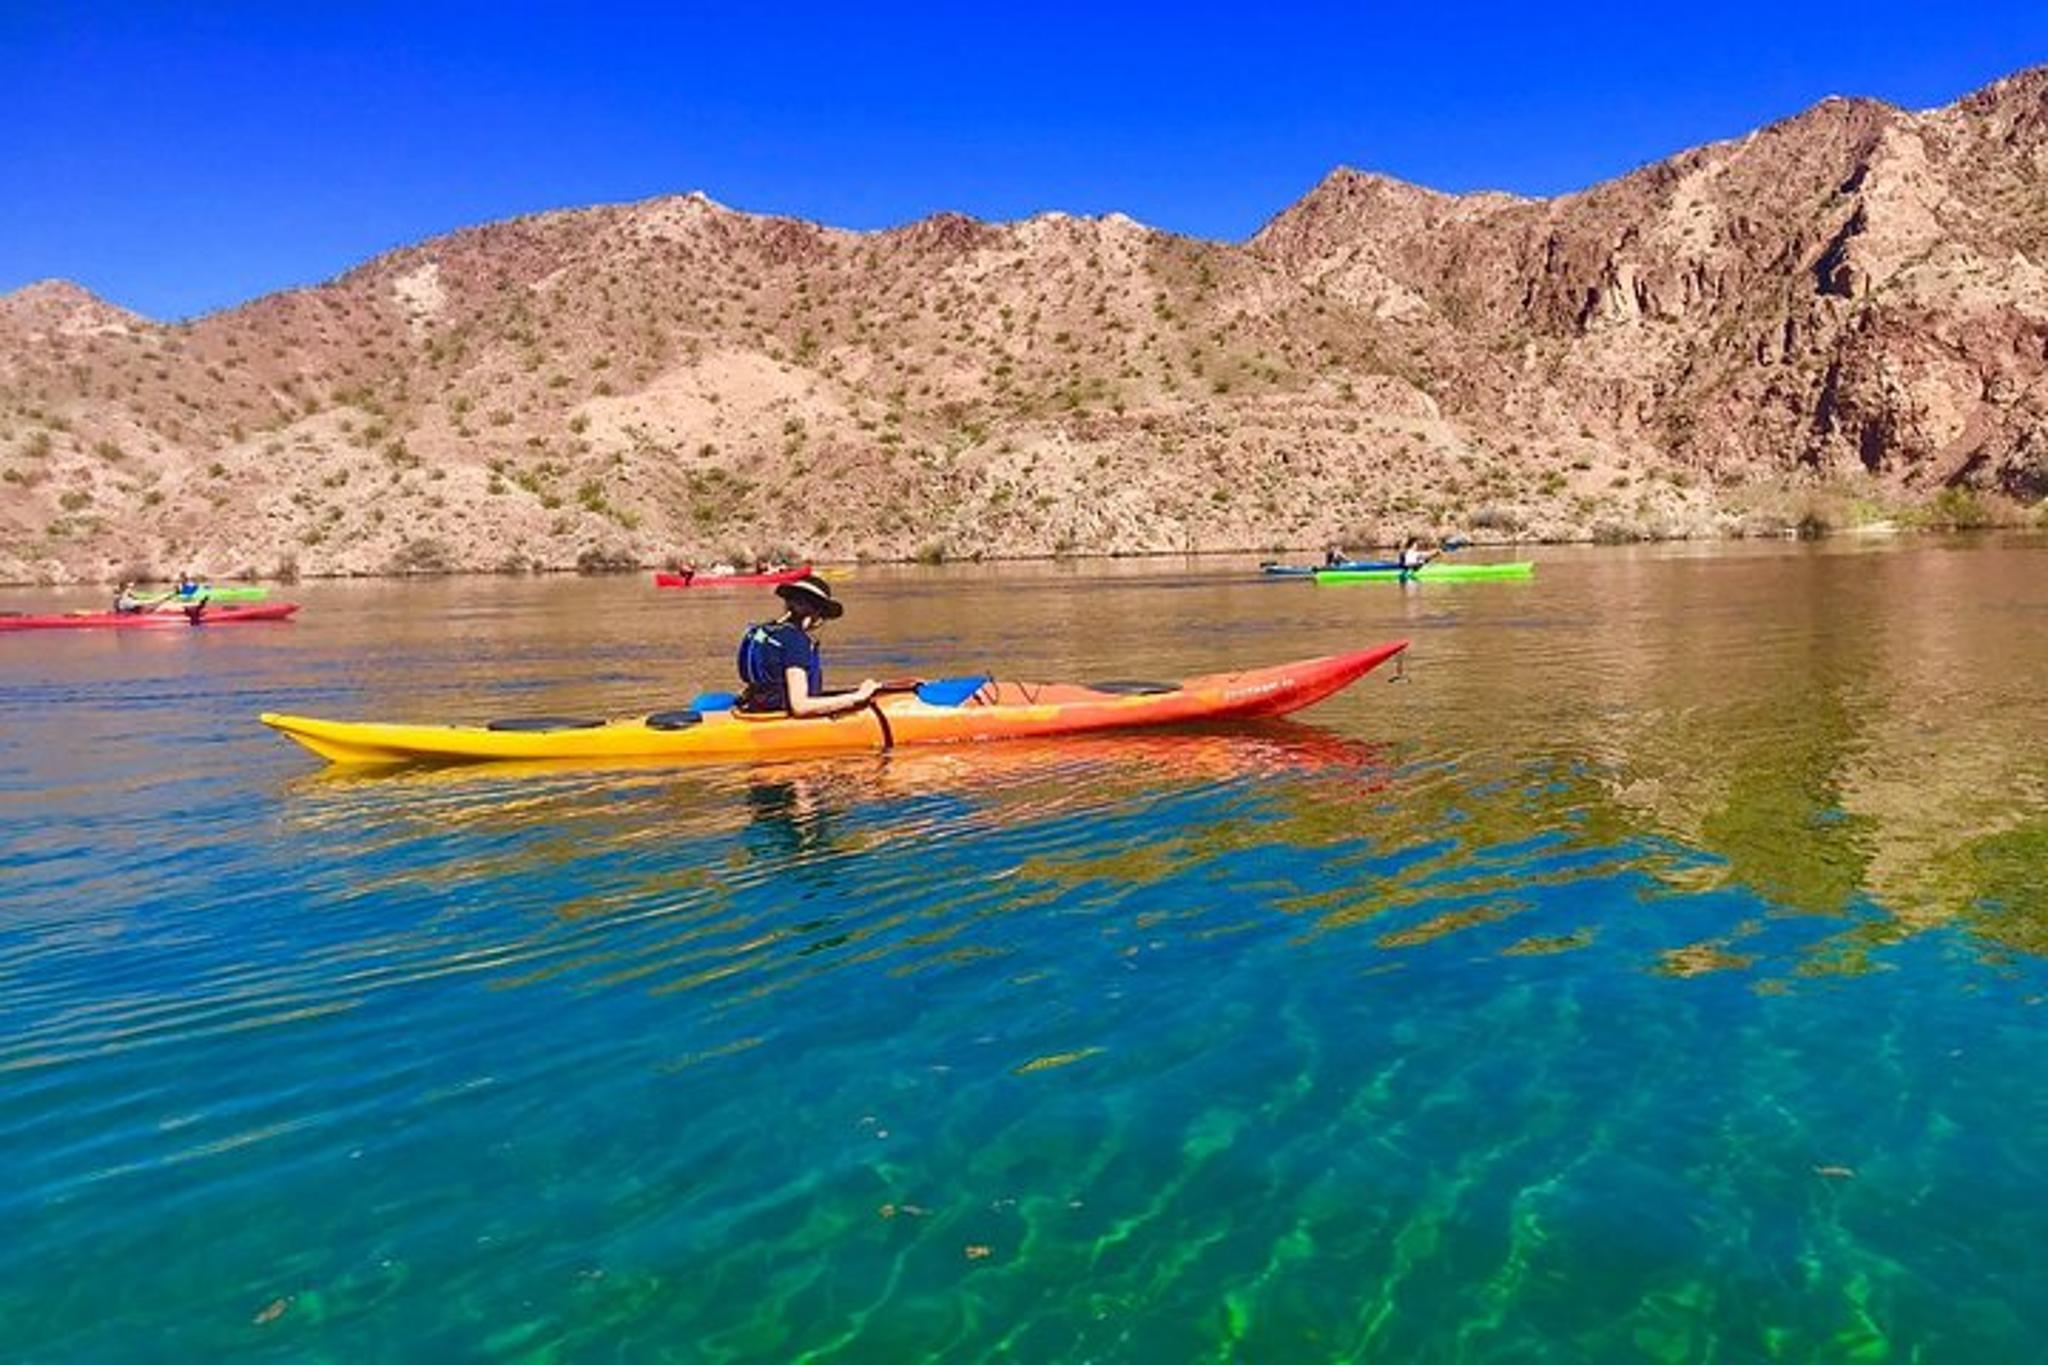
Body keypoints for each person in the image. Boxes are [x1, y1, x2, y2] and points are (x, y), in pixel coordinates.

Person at [735, 573, 879, 717]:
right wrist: (858, 696)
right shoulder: (795, 641)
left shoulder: (763, 632)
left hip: (757, 709)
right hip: (780, 723)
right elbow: (800, 706)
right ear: (817, 613)